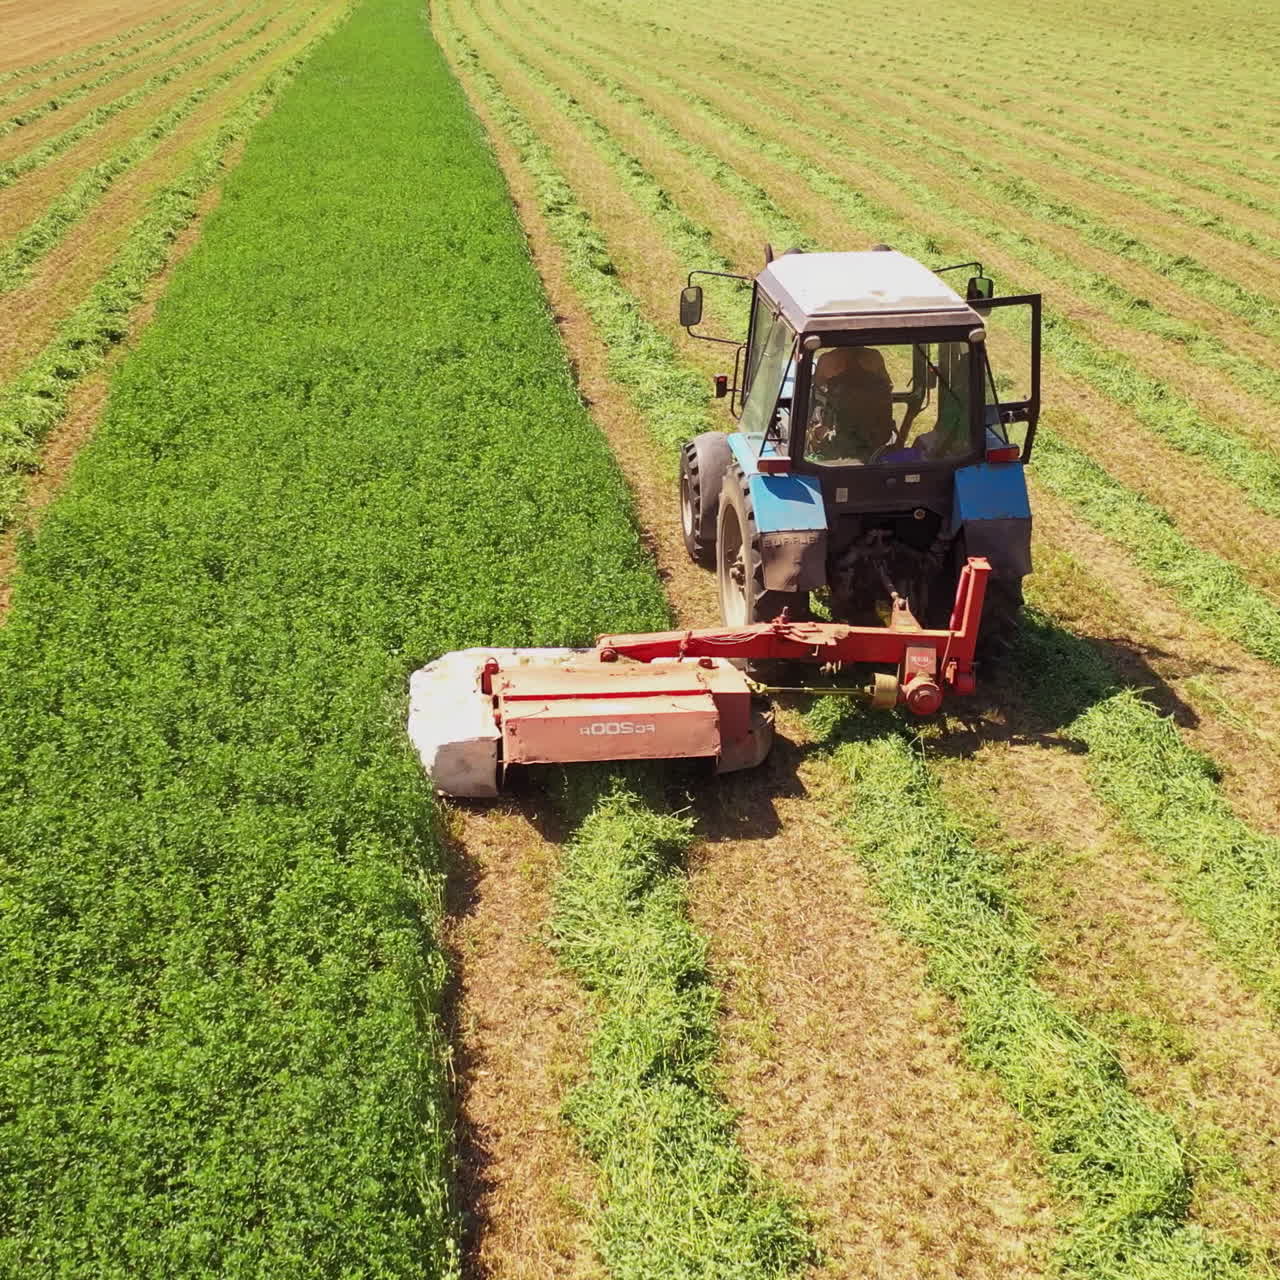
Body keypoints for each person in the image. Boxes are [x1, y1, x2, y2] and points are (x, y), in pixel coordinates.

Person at [807, 346, 895, 462]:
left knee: (815, 442)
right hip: (876, 435)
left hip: (848, 441)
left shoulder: (827, 360)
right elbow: (888, 387)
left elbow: (819, 390)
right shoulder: (874, 357)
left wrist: (818, 434)